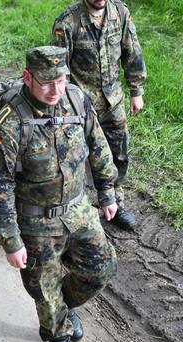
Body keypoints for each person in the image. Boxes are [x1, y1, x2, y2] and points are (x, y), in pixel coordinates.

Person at [0, 46, 119, 342]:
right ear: (28, 78)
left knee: (101, 266)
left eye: (60, 80)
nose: (54, 90)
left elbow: (99, 145)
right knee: (43, 289)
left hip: (78, 209)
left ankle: (61, 307)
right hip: (35, 220)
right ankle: (58, 340)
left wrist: (106, 192)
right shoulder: (11, 121)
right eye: (46, 82)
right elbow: (0, 187)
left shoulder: (76, 100)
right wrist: (11, 240)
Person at [51, 0, 147, 230]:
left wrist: (136, 91)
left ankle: (116, 203)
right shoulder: (68, 21)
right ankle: (76, 209)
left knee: (118, 154)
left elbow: (132, 51)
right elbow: (58, 69)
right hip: (80, 106)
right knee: (76, 158)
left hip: (113, 102)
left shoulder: (120, 13)